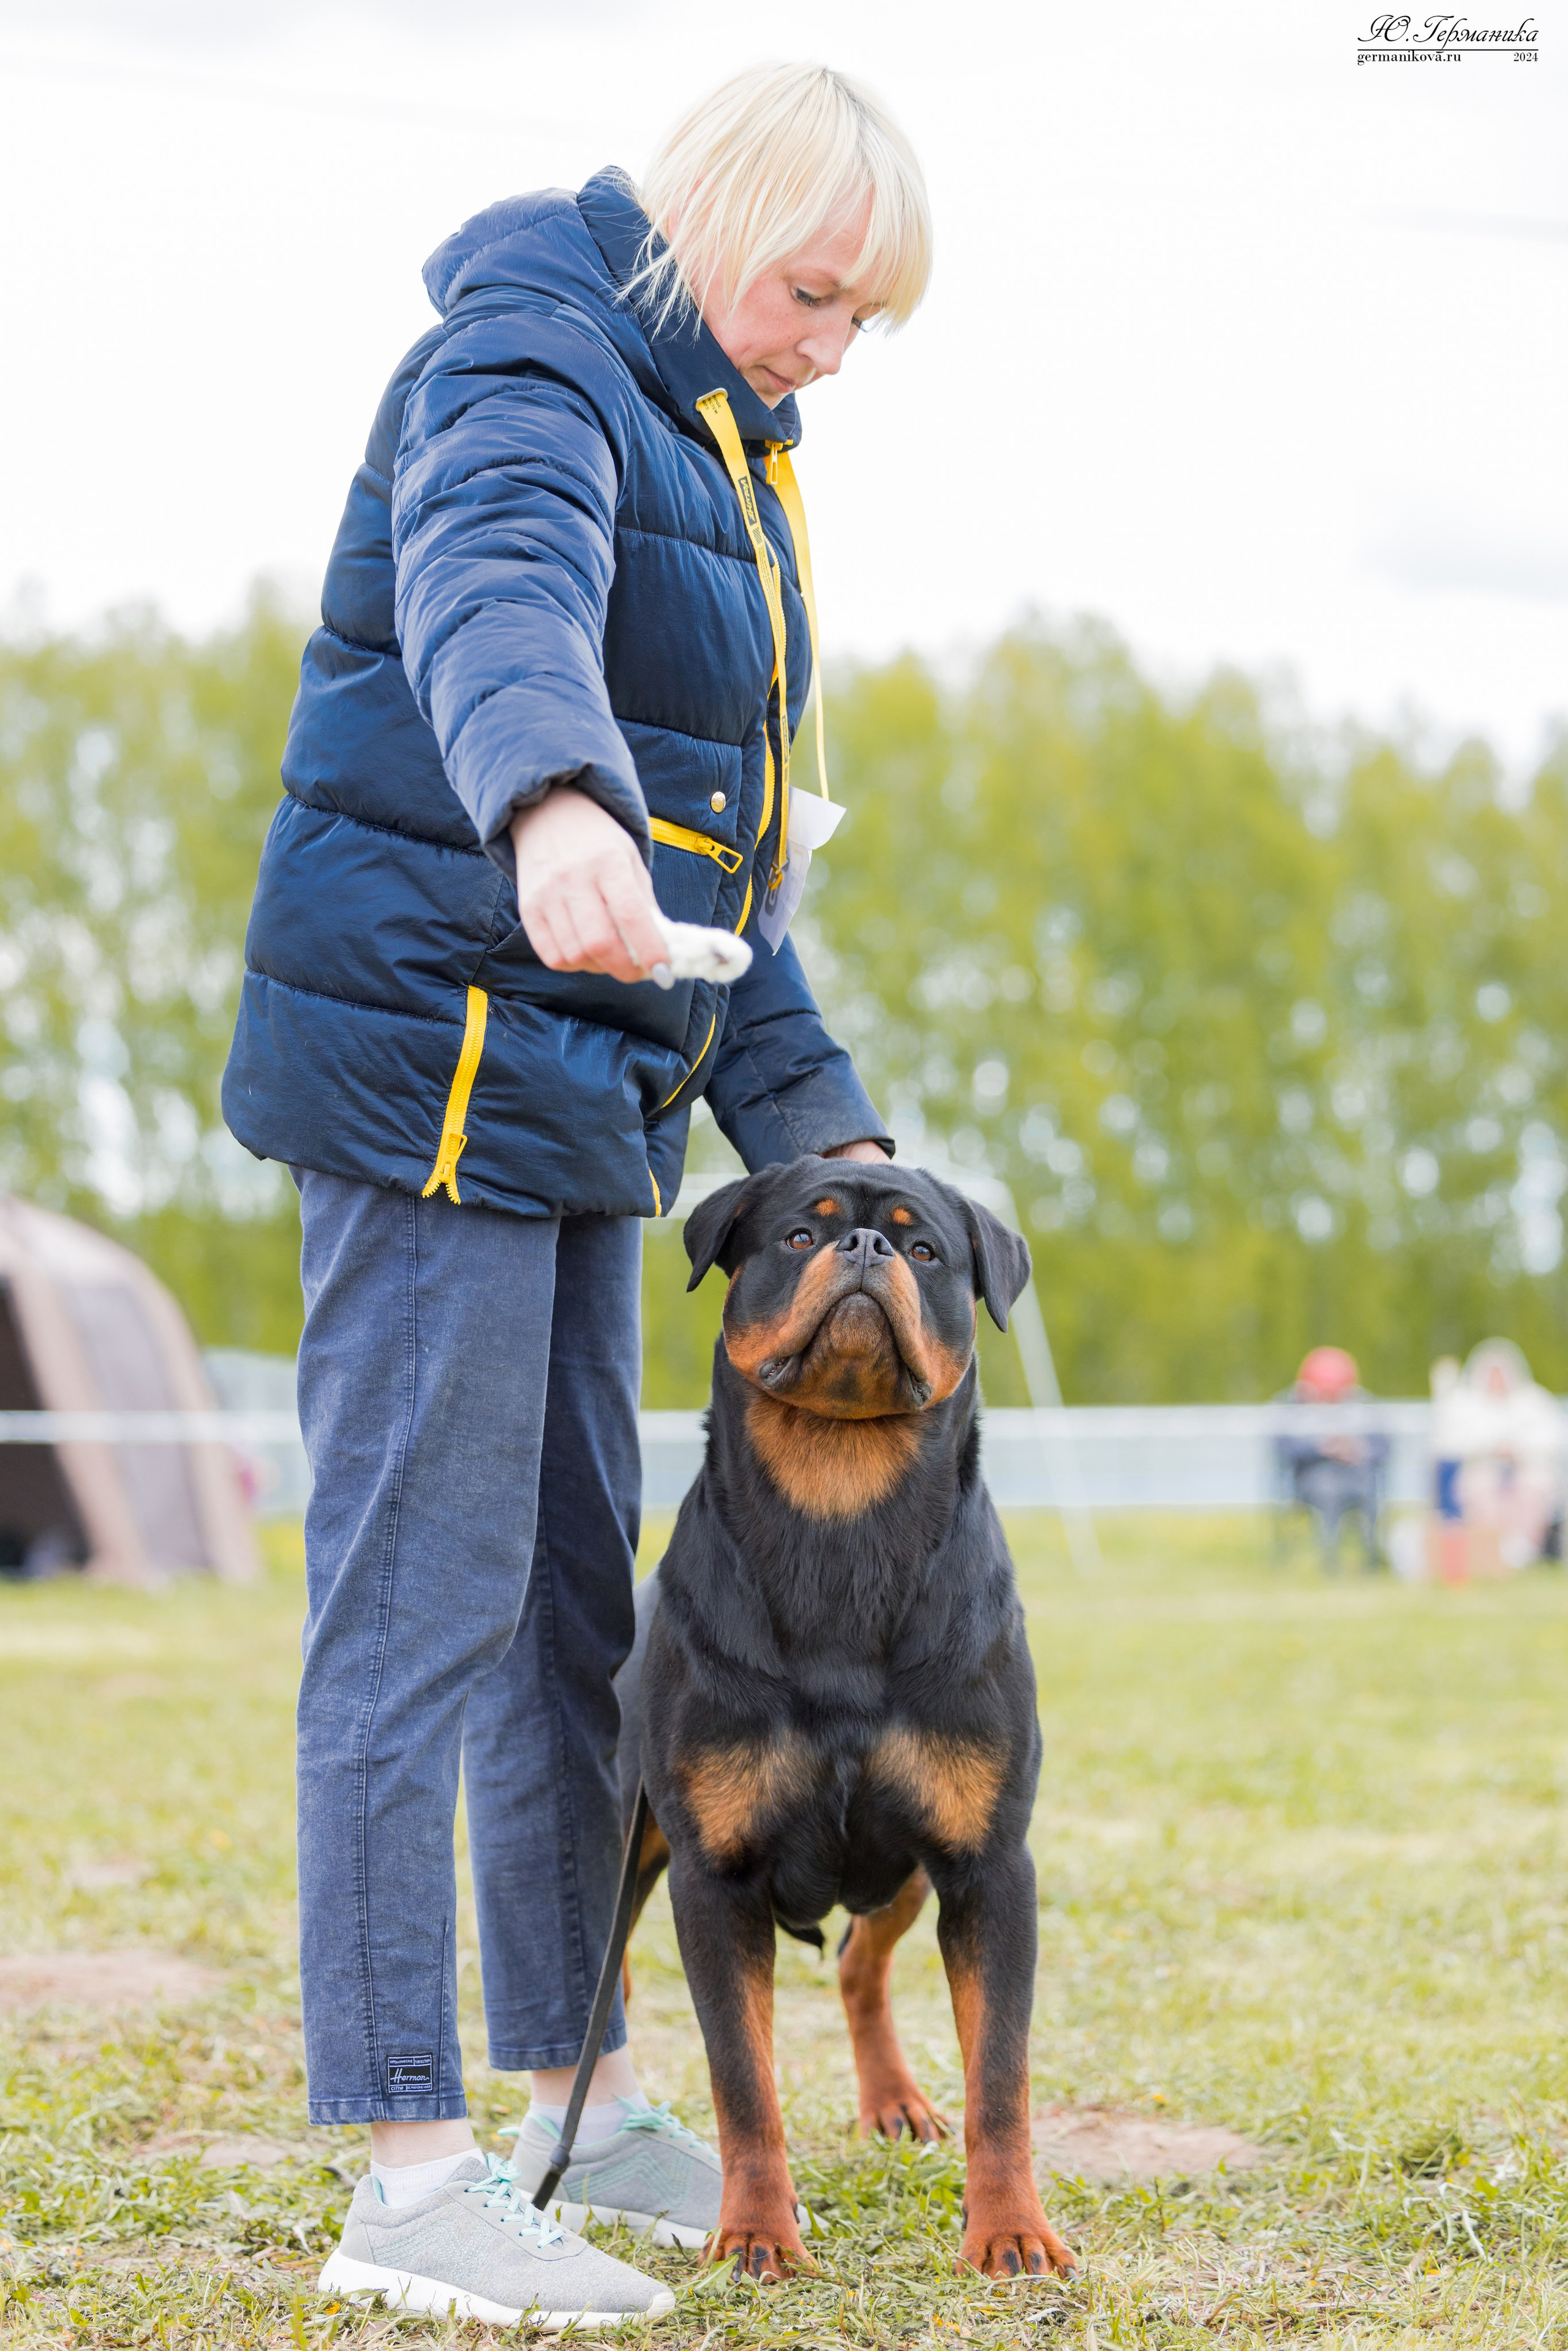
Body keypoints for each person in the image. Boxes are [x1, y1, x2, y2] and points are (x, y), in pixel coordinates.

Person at [222, 64, 932, 2323]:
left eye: (862, 315)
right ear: (704, 217)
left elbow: (730, 866)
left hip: (576, 1101)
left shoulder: (722, 448)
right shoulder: (526, 350)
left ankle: (567, 2086)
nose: (829, 341)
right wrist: (542, 794)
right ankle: (407, 2169)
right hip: (431, 1065)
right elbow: (492, 579)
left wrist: (835, 1152)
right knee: (409, 1615)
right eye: (810, 287)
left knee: (569, 1629)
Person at [1431, 1338, 1567, 1577]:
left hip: (1527, 1470)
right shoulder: (1466, 1404)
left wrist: (1518, 1450)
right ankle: (1493, 1551)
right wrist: (1489, 1449)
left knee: (1534, 1486)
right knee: (1480, 1486)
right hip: (1482, 1470)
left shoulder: (1533, 1401)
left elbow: (1553, 1439)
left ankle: (1524, 1550)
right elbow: (1448, 1442)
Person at [1273, 1346, 1389, 1573]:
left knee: (1369, 1489)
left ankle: (1372, 1558)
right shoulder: (1291, 1406)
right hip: (1312, 1479)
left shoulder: (1362, 1404)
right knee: (1329, 1491)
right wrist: (1322, 1448)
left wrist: (1356, 1449)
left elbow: (1384, 1445)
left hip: (1355, 1475)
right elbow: (1282, 1448)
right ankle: (1330, 1559)